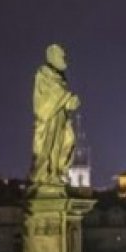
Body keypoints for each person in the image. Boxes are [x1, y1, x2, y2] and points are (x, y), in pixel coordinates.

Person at [31, 43, 80, 186]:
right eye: (61, 56)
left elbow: (60, 95)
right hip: (48, 119)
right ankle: (45, 175)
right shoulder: (44, 73)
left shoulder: (59, 76)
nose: (64, 59)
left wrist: (67, 100)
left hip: (60, 117)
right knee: (48, 146)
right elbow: (52, 95)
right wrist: (68, 99)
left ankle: (56, 173)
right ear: (52, 57)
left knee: (66, 142)